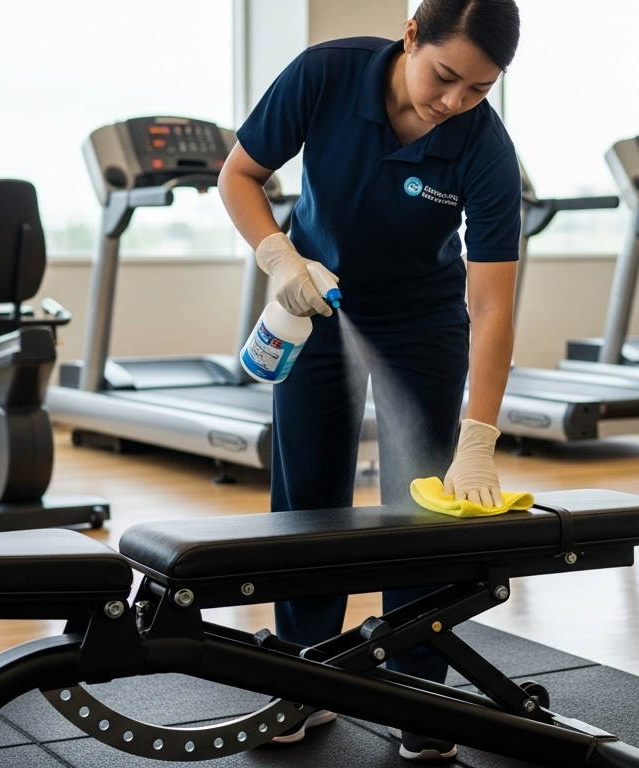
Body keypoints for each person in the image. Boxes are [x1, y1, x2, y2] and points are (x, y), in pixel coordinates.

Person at [217, 0, 521, 760]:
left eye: (478, 90)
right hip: (317, 300)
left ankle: (416, 694)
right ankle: (306, 677)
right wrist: (278, 256)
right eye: (445, 76)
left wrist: (478, 438)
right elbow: (241, 174)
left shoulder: (484, 149)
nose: (453, 102)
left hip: (423, 325)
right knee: (309, 496)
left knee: (420, 510)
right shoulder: (325, 74)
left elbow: (491, 305)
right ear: (412, 32)